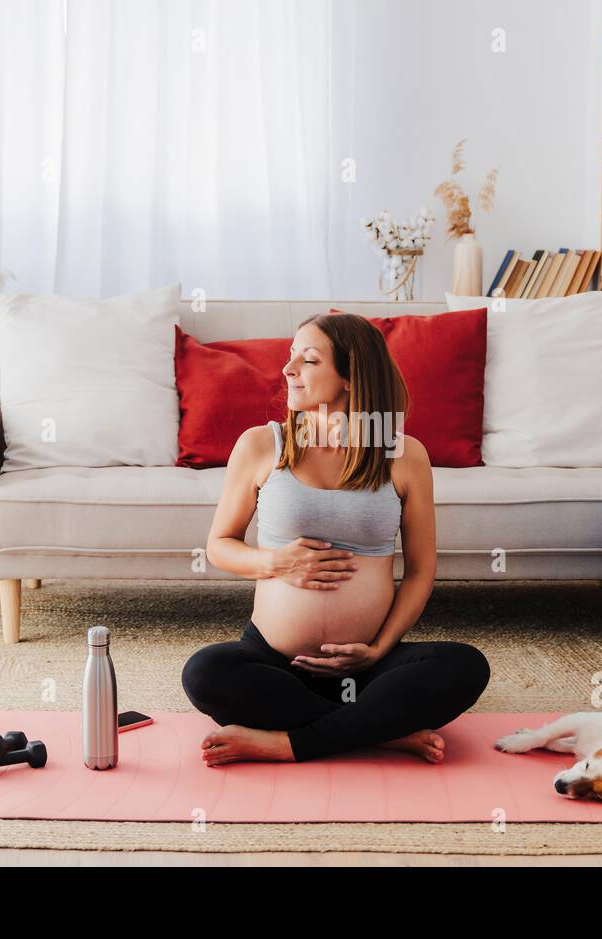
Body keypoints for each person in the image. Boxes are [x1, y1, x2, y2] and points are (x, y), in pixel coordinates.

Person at [181, 312, 490, 765]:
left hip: (367, 665)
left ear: (351, 376)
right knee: (206, 673)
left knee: (464, 666)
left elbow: (422, 569)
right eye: (291, 358)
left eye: (307, 360)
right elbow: (220, 545)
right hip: (275, 660)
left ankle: (287, 742)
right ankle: (380, 733)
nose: (288, 370)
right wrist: (277, 563)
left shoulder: (404, 455)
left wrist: (379, 649)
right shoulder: (262, 445)